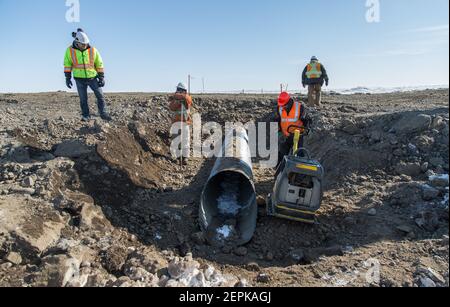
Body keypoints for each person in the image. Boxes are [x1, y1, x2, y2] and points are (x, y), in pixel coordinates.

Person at [64, 28, 111, 122]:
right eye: (82, 44)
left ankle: (103, 113)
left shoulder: (93, 50)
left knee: (100, 96)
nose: (84, 46)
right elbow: (67, 64)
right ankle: (86, 115)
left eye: (85, 44)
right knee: (83, 99)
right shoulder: (69, 51)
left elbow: (99, 63)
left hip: (92, 77)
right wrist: (67, 78)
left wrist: (101, 77)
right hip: (79, 79)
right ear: (77, 42)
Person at [275, 92, 312, 173]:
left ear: (289, 102)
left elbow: (307, 120)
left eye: (284, 105)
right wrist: (279, 130)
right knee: (282, 153)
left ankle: (299, 173)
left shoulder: (299, 107)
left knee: (299, 155)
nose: (282, 107)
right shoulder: (279, 108)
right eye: (281, 105)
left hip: (297, 135)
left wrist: (307, 129)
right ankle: (279, 172)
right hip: (286, 135)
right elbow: (278, 120)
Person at [168, 83, 193, 165]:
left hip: (185, 123)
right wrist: (177, 100)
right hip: (176, 123)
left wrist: (177, 97)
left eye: (179, 89)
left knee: (185, 141)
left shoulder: (187, 97)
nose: (177, 91)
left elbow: (186, 99)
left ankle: (185, 157)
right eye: (177, 89)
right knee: (175, 141)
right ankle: (176, 157)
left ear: (183, 91)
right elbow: (171, 107)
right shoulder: (175, 99)